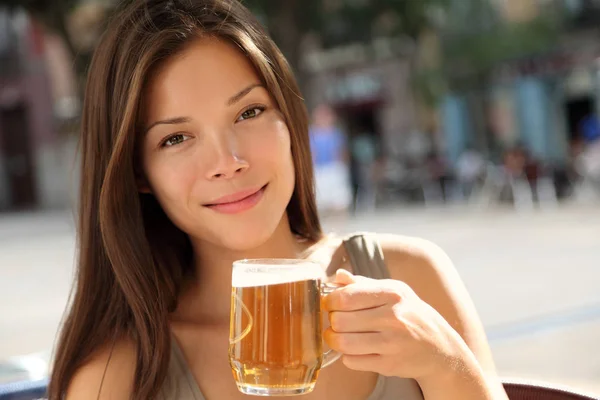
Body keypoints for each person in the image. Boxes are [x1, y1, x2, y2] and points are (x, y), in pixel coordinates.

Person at [49, 1, 509, 399]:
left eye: (249, 112)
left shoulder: (409, 277)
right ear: (137, 173)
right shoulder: (119, 373)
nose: (227, 161)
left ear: (289, 119)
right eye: (176, 138)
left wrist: (443, 362)